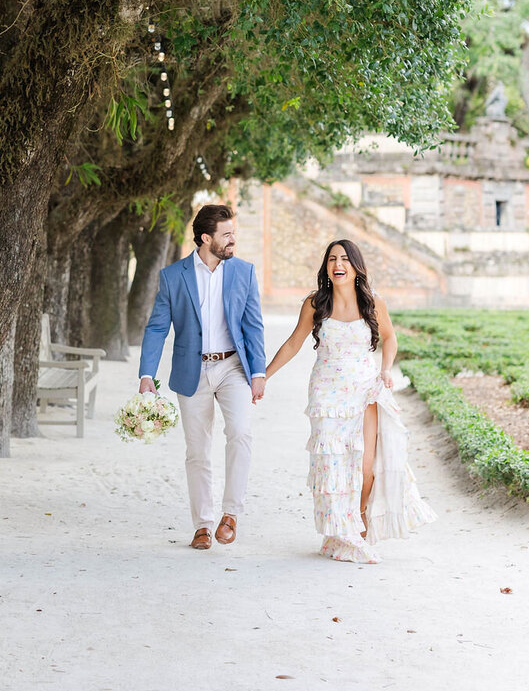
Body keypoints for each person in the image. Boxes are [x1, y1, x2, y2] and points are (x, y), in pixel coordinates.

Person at [265, 238, 435, 563]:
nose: (337, 264)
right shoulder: (315, 303)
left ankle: (356, 522)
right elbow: (292, 343)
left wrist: (385, 370)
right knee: (332, 467)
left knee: (365, 467)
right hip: (326, 395)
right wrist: (263, 376)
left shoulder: (372, 302)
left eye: (344, 258)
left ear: (355, 266)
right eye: (332, 259)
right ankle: (341, 532)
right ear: (326, 267)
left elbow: (390, 338)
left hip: (364, 391)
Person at [139, 204, 266, 550]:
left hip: (232, 368)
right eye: (226, 234)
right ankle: (202, 525)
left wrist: (258, 372)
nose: (233, 240)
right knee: (197, 450)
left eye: (234, 233)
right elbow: (157, 327)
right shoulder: (173, 276)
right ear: (206, 238)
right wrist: (147, 374)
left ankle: (230, 515)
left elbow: (253, 325)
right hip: (191, 369)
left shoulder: (243, 272)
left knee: (240, 433)